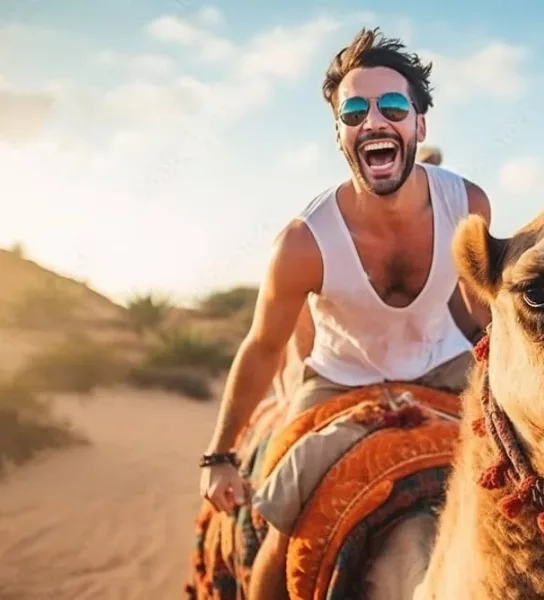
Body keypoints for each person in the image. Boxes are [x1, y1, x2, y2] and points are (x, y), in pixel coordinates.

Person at [198, 27, 492, 599]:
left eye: (393, 106)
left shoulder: (468, 205)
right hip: (339, 380)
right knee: (287, 517)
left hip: (444, 367)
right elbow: (262, 346)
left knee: (522, 489)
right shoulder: (303, 244)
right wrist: (219, 454)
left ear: (419, 125)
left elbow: (484, 314)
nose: (374, 120)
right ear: (340, 135)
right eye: (354, 111)